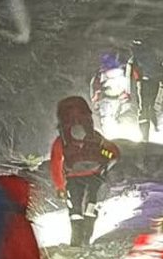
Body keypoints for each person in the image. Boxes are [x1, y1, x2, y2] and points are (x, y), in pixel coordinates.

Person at [50, 94, 120, 250]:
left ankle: (75, 242)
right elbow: (114, 152)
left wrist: (60, 186)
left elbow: (56, 162)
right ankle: (87, 239)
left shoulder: (62, 139)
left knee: (75, 209)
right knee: (91, 206)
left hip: (73, 178)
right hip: (95, 175)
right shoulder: (94, 136)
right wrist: (105, 158)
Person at [127, 41, 163, 141]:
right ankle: (155, 126)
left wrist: (128, 91)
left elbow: (128, 76)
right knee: (151, 106)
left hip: (143, 83)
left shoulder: (134, 58)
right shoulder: (154, 55)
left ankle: (145, 136)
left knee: (143, 108)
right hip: (155, 83)